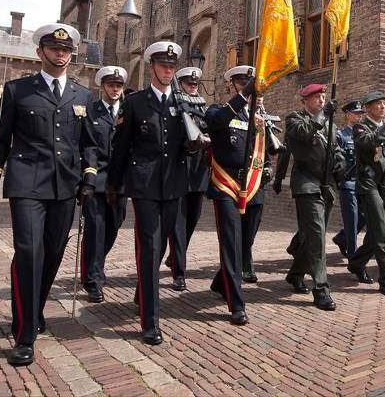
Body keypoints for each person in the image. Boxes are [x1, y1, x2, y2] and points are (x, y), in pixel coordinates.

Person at [0, 23, 97, 366]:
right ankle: (24, 334)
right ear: (40, 52)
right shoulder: (18, 90)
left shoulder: (83, 95)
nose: (61, 54)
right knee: (28, 252)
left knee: (53, 253)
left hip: (64, 185)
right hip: (27, 182)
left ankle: (35, 307)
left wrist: (89, 176)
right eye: (54, 49)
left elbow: (89, 144)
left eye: (66, 50)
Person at [106, 41, 192, 345]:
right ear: (152, 67)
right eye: (163, 66)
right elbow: (121, 148)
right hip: (143, 186)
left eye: (172, 66)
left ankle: (143, 293)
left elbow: (190, 143)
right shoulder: (135, 103)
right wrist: (113, 185)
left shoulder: (184, 103)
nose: (168, 71)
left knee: (160, 247)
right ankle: (150, 321)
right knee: (150, 247)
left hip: (173, 185)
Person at [204, 65, 268, 325]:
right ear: (230, 85)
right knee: (231, 244)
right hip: (226, 185)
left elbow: (263, 150)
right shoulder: (217, 111)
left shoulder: (256, 116)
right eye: (241, 83)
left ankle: (222, 282)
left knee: (245, 243)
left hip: (252, 185)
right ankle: (236, 304)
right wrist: (243, 97)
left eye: (249, 84)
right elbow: (216, 123)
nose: (245, 87)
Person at [283, 83, 342, 310]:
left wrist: (340, 161)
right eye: (317, 97)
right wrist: (322, 115)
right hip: (307, 184)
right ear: (305, 100)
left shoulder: (330, 124)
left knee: (312, 236)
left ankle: (296, 273)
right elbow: (305, 133)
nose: (322, 100)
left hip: (327, 185)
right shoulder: (295, 119)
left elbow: (335, 148)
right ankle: (321, 289)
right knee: (317, 236)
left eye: (324, 97)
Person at [346, 90, 385, 298]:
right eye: (377, 104)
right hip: (368, 184)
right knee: (379, 231)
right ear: (368, 108)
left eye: (383, 104)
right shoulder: (361, 126)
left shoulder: (384, 127)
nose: (382, 107)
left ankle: (356, 262)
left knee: (380, 232)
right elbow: (370, 142)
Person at [80, 65, 129, 304]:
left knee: (113, 228)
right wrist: (87, 179)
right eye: (111, 85)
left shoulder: (128, 112)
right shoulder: (92, 111)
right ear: (103, 86)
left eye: (118, 85)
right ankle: (94, 280)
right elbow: (87, 145)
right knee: (95, 231)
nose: (115, 89)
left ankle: (94, 266)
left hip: (119, 184)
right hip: (97, 182)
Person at [165, 66, 210, 290]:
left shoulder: (203, 106)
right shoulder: (173, 105)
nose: (192, 87)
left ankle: (174, 257)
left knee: (192, 221)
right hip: (179, 171)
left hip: (198, 173)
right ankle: (179, 273)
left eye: (194, 84)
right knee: (178, 225)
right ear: (181, 84)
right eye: (188, 83)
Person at [330, 100, 366, 258]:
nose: (359, 116)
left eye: (360, 114)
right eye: (356, 113)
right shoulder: (341, 135)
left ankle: (341, 238)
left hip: (363, 183)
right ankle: (353, 253)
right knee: (351, 220)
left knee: (364, 216)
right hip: (348, 182)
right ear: (347, 115)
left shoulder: (364, 133)